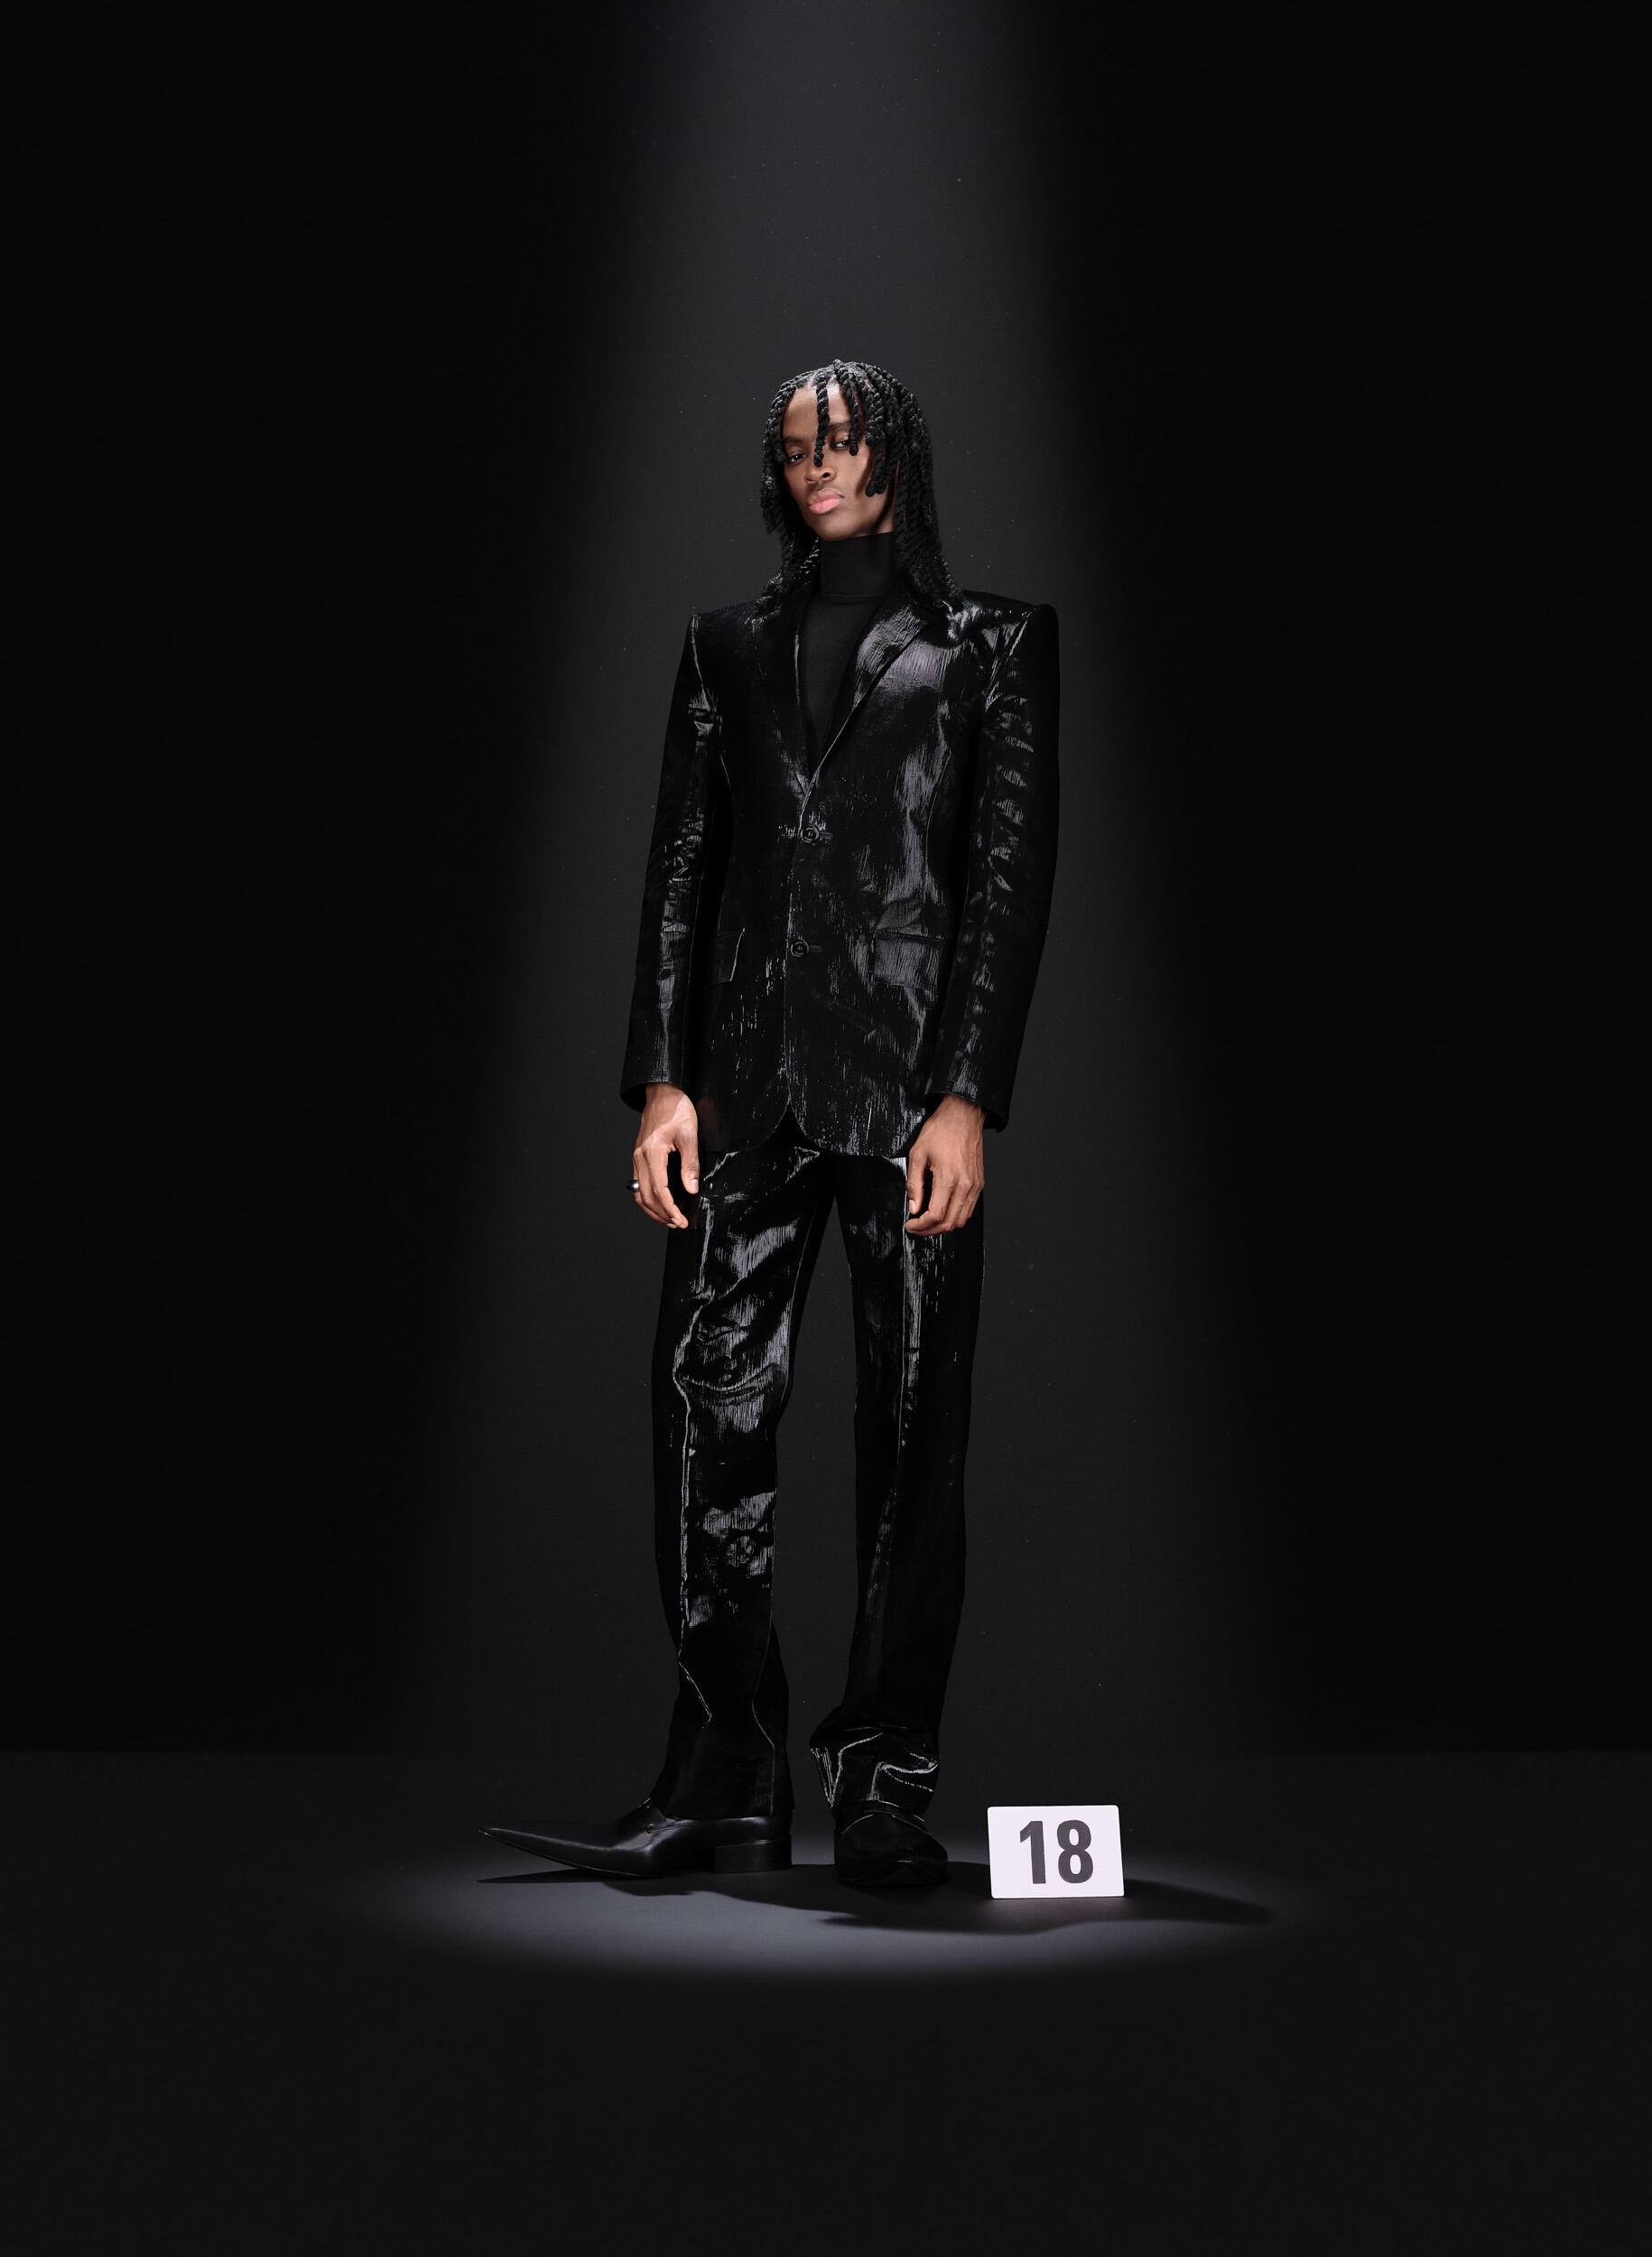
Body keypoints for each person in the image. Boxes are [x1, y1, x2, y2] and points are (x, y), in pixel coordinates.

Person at [485, 358, 1059, 1887]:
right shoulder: (723, 644)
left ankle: (883, 1787)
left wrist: (968, 1096)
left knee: (914, 1435)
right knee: (702, 1410)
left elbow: (1006, 885)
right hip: (743, 1087)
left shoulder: (996, 644)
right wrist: (662, 1082)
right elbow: (682, 861)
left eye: (845, 439)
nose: (819, 463)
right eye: (798, 444)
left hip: (910, 1089)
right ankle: (726, 1771)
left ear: (896, 457)